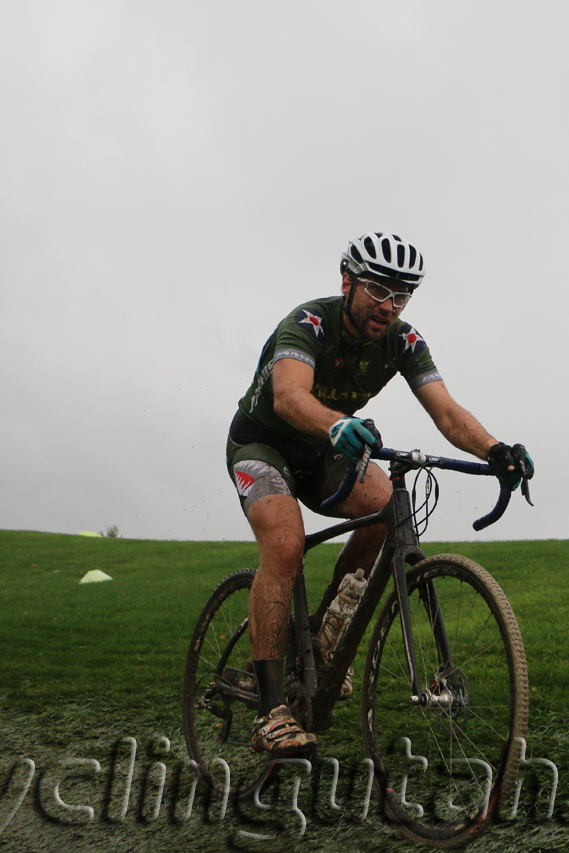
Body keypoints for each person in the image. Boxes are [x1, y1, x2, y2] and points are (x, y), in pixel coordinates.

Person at [226, 232, 533, 757]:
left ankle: (321, 643)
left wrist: (494, 449)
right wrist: (337, 423)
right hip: (265, 442)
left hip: (328, 447)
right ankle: (270, 711)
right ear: (347, 282)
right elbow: (288, 396)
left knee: (382, 512)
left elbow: (448, 413)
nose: (388, 307)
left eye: (402, 295)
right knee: (285, 548)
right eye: (377, 290)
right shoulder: (308, 323)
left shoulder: (404, 340)